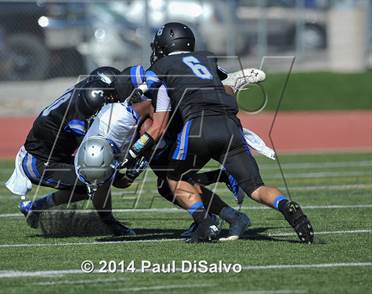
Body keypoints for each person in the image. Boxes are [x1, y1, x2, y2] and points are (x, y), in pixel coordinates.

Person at [121, 22, 314, 243]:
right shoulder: (206, 58)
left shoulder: (163, 65)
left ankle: (204, 223)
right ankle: (286, 206)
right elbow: (224, 84)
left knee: (172, 178)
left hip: (198, 126)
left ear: (164, 46)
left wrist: (137, 95)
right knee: (256, 188)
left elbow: (149, 92)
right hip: (231, 125)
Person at [5, 66, 134, 236]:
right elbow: (89, 153)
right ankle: (110, 224)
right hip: (38, 162)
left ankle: (35, 207)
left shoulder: (82, 95)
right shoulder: (81, 110)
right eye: (110, 95)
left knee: (90, 183)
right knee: (98, 176)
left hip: (50, 156)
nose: (113, 99)